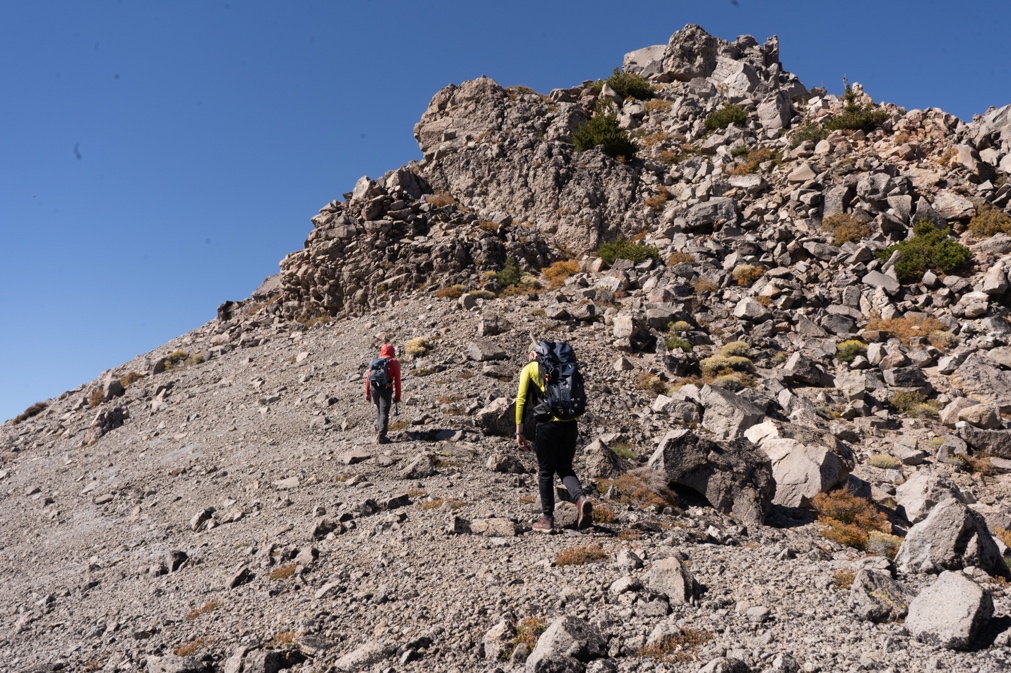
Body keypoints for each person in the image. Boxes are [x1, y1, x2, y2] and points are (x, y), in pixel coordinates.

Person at [515, 341, 592, 533]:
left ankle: (547, 519)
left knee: (546, 471)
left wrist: (519, 431)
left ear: (533, 354)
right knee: (565, 467)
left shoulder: (530, 368)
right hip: (570, 423)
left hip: (547, 425)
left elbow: (521, 400)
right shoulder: (563, 368)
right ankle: (580, 499)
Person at [365, 343, 401, 444]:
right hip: (386, 389)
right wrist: (397, 396)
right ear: (392, 352)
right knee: (384, 411)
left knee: (379, 410)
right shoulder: (393, 362)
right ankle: (382, 436)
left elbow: (368, 377)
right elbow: (397, 381)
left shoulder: (374, 362)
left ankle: (380, 432)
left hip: (374, 389)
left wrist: (367, 393)